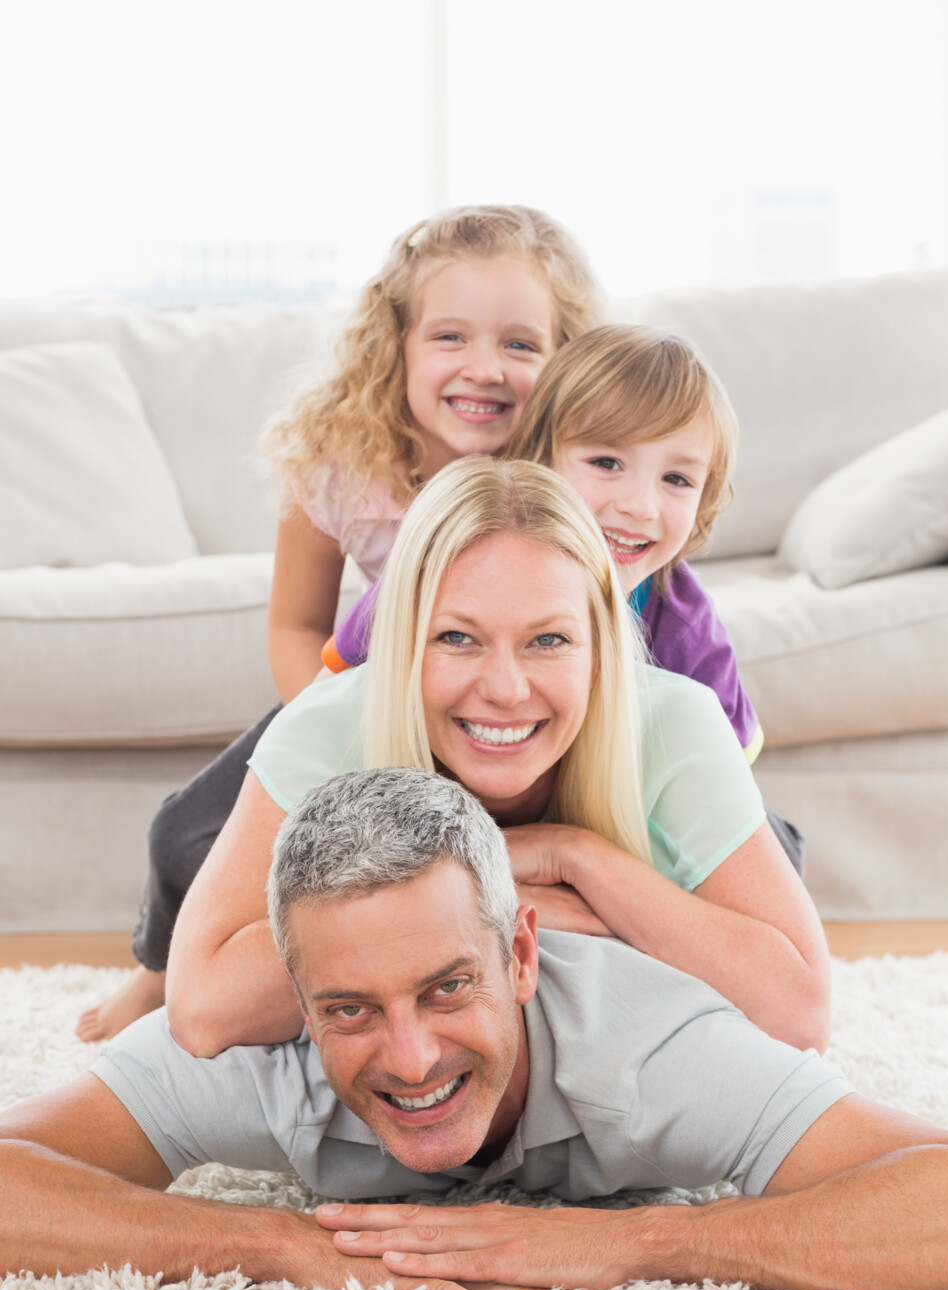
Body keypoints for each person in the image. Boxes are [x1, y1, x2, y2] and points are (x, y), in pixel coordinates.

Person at [4, 769, 948, 1290]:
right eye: (350, 1011)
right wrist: (270, 1241)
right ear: (296, 999)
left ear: (521, 958)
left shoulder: (655, 1046)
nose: (412, 1059)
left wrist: (643, 1243)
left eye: (450, 987)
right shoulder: (254, 1055)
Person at [76, 204, 601, 1043]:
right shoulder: (343, 463)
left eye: (521, 344)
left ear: (567, 359)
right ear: (395, 343)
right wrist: (346, 734)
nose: (485, 368)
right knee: (184, 832)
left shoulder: (574, 469)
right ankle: (159, 969)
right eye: (450, 338)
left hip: (508, 714)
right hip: (364, 703)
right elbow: (293, 628)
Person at [163, 457, 830, 1061]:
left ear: (600, 648)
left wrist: (575, 856)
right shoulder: (329, 728)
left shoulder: (674, 721)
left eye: (548, 640)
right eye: (457, 637)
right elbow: (202, 1010)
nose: (507, 690)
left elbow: (799, 1012)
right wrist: (494, 903)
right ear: (401, 642)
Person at [321, 325, 804, 871]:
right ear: (540, 458)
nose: (640, 505)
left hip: (599, 833)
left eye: (677, 479)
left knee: (777, 858)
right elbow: (322, 708)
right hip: (447, 818)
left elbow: (724, 807)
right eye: (606, 463)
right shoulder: (446, 564)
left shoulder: (686, 629)